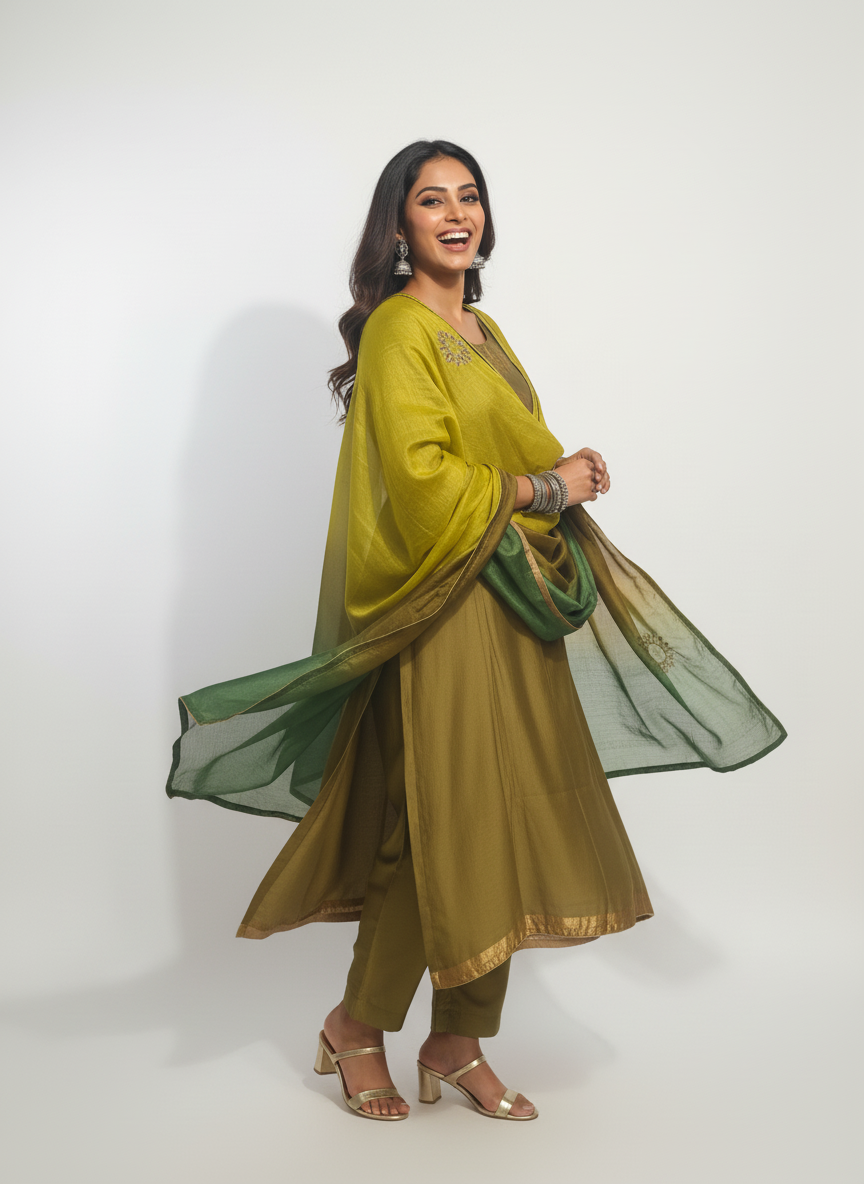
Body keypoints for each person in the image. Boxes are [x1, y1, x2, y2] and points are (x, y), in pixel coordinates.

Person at [167, 140, 785, 1123]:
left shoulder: (483, 329)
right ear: (398, 224)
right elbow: (424, 485)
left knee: (506, 816)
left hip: (515, 601)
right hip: (443, 606)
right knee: (436, 825)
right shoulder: (397, 331)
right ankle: (357, 1024)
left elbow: (504, 448)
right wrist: (550, 486)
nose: (456, 214)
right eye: (431, 200)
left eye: (469, 197)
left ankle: (457, 1041)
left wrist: (561, 472)